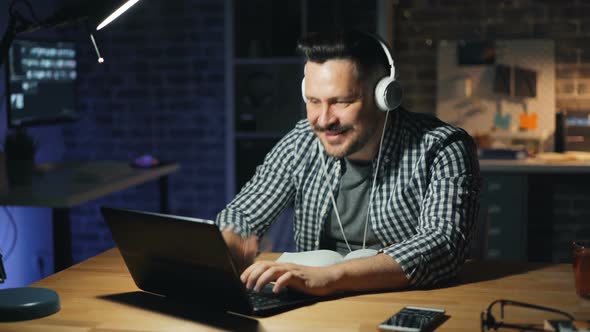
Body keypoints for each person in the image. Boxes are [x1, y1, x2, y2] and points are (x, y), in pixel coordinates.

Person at [216, 30, 481, 296]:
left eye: (341, 102)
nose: (323, 119)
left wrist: (330, 277)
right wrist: (231, 237)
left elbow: (442, 244)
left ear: (385, 96)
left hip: (401, 301)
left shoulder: (443, 147)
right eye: (313, 101)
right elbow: (244, 212)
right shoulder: (302, 141)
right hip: (318, 304)